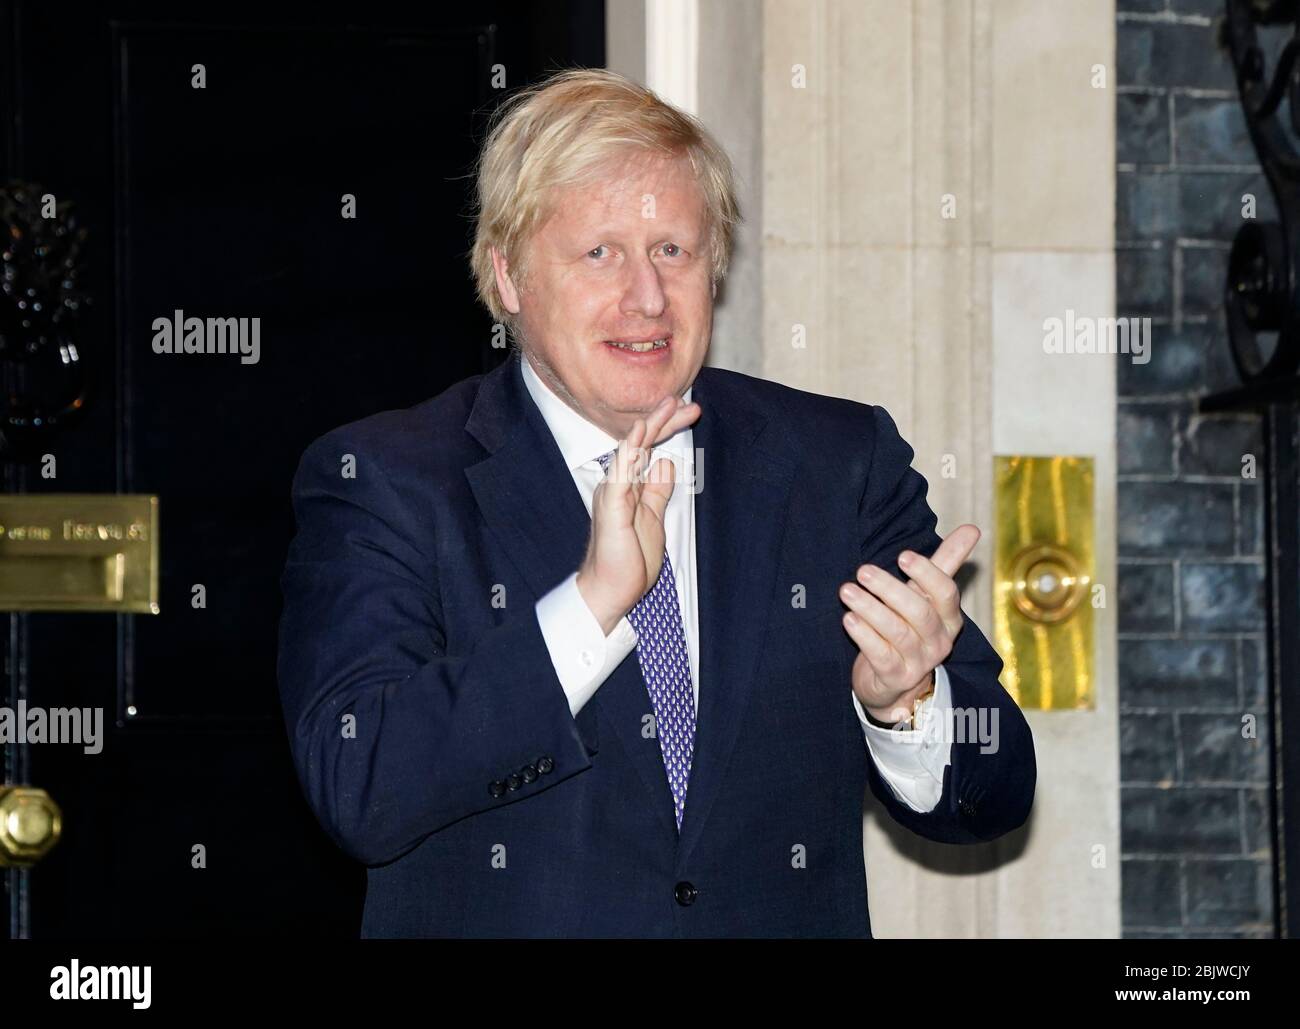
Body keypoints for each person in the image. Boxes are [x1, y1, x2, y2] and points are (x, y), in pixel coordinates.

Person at [276, 68, 1035, 938]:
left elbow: (995, 791)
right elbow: (361, 785)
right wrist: (590, 608)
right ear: (510, 276)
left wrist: (906, 702)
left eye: (672, 250)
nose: (647, 296)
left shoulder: (834, 463)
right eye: (599, 253)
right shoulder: (388, 480)